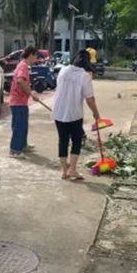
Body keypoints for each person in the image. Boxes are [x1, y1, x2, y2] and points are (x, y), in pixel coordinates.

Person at [52, 50, 101, 180]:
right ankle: (72, 169)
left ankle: (64, 171)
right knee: (76, 140)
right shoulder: (84, 76)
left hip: (59, 112)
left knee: (63, 140)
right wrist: (96, 114)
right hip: (74, 114)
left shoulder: (63, 70)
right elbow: (90, 99)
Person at [8, 46, 39, 158]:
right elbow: (20, 81)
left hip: (21, 101)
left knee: (23, 125)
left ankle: (22, 145)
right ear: (31, 55)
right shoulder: (23, 66)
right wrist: (31, 94)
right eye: (35, 56)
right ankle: (15, 150)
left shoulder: (23, 65)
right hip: (18, 102)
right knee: (19, 127)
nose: (36, 59)